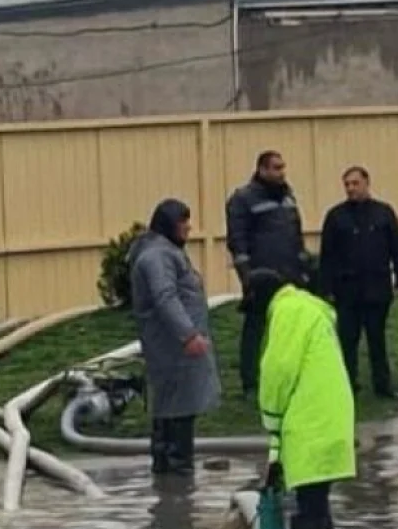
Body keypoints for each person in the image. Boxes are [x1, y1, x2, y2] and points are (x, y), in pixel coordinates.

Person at [248, 268, 356, 529]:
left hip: (313, 422)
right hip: (329, 417)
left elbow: (278, 372)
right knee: (317, 501)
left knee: (309, 507)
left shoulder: (287, 311)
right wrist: (274, 459)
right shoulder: (306, 309)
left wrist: (269, 419)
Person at [128, 197, 220, 475]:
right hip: (174, 350)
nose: (189, 228)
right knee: (177, 413)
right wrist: (188, 334)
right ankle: (177, 482)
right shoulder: (159, 256)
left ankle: (169, 482)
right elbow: (165, 297)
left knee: (171, 410)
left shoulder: (164, 252)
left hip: (172, 348)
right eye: (183, 222)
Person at [226, 150, 313, 398]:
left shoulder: (287, 197)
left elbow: (296, 233)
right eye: (276, 168)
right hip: (262, 275)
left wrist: (303, 265)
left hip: (290, 274)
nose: (281, 173)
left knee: (289, 329)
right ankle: (250, 383)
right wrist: (247, 275)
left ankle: (287, 376)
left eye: (283, 168)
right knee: (255, 328)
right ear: (262, 169)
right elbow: (237, 239)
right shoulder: (244, 199)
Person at [318, 165, 398, 398]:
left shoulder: (383, 213)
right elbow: (327, 255)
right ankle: (347, 385)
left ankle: (383, 386)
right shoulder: (336, 216)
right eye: (347, 184)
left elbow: (397, 248)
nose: (351, 189)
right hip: (346, 289)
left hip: (377, 287)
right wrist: (326, 287)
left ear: (367, 183)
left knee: (377, 340)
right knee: (348, 340)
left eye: (355, 183)